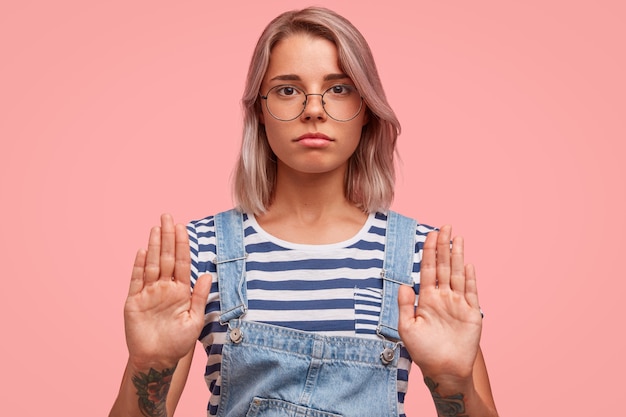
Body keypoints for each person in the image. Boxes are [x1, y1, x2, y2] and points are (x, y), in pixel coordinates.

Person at [109, 7, 498, 417]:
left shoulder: (425, 257)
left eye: (339, 89)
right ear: (259, 111)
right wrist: (149, 366)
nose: (314, 110)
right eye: (288, 90)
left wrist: (452, 384)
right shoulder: (197, 253)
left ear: (366, 109)